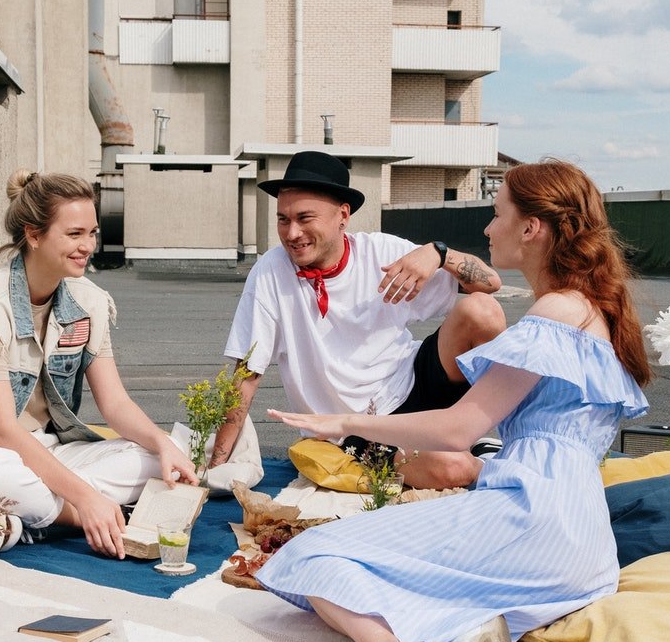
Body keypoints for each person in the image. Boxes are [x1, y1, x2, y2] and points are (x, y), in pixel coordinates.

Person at [256, 159, 653, 642]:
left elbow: (459, 427)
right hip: (584, 550)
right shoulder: (592, 311)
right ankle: (466, 641)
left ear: (531, 228)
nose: (489, 229)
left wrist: (344, 423)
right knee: (419, 571)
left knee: (310, 554)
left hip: (532, 521)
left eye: (496, 215)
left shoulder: (557, 311)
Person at [0, 170, 197, 559]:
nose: (87, 246)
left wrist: (161, 445)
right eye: (74, 234)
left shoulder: (88, 302)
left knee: (169, 451)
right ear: (33, 235)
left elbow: (115, 404)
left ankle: (26, 514)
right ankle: (79, 513)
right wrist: (86, 498)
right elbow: (3, 432)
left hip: (48, 451)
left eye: (92, 233)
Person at [212, 150, 508, 490]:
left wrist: (438, 253)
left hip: (413, 383)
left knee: (482, 311)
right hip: (355, 429)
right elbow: (247, 373)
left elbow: (490, 283)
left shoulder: (380, 252)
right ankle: (481, 458)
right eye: (283, 219)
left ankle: (476, 433)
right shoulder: (271, 272)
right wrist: (215, 466)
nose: (292, 233)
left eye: (305, 218)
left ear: (343, 215)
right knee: (451, 469)